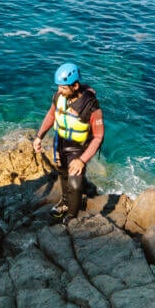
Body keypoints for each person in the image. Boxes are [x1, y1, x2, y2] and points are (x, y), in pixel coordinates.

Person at [31, 63, 104, 222]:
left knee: (75, 184)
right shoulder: (59, 97)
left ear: (75, 85)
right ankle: (65, 202)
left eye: (63, 88)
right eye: (58, 87)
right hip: (60, 142)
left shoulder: (91, 106)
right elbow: (51, 116)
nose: (59, 91)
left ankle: (72, 216)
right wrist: (39, 136)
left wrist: (82, 160)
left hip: (79, 149)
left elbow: (98, 137)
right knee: (62, 174)